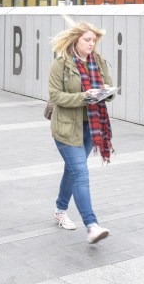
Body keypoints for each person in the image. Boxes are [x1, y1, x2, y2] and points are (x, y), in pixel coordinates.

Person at [47, 21, 115, 244]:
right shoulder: (61, 64)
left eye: (94, 40)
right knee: (81, 173)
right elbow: (56, 96)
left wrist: (106, 91)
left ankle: (60, 209)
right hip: (66, 128)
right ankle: (92, 225)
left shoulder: (99, 61)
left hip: (92, 127)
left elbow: (110, 88)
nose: (91, 43)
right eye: (87, 39)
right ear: (76, 40)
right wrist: (84, 96)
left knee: (73, 171)